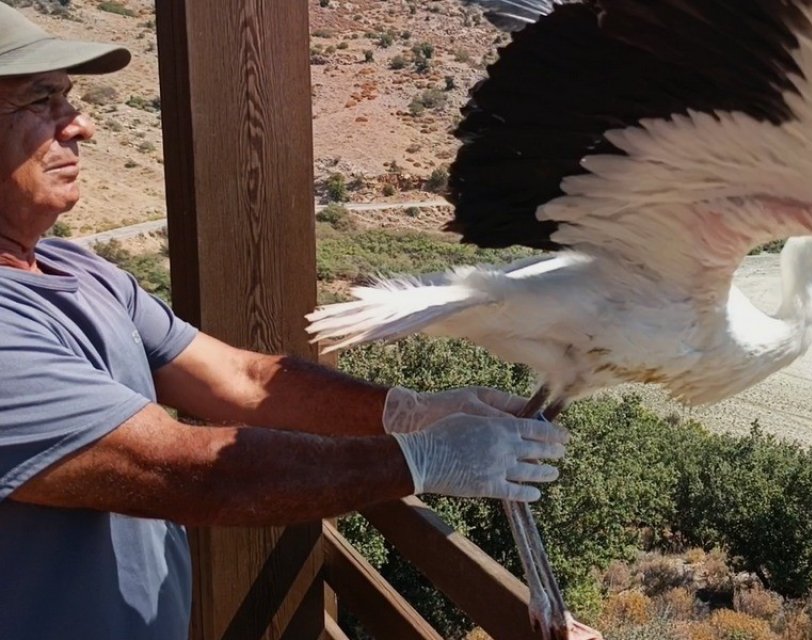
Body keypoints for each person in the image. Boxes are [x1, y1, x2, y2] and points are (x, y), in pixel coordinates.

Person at [0, 4, 569, 638]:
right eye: (42, 99)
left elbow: (241, 378)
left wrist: (411, 411)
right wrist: (420, 459)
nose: (83, 125)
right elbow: (178, 471)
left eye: (69, 97)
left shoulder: (71, 269)